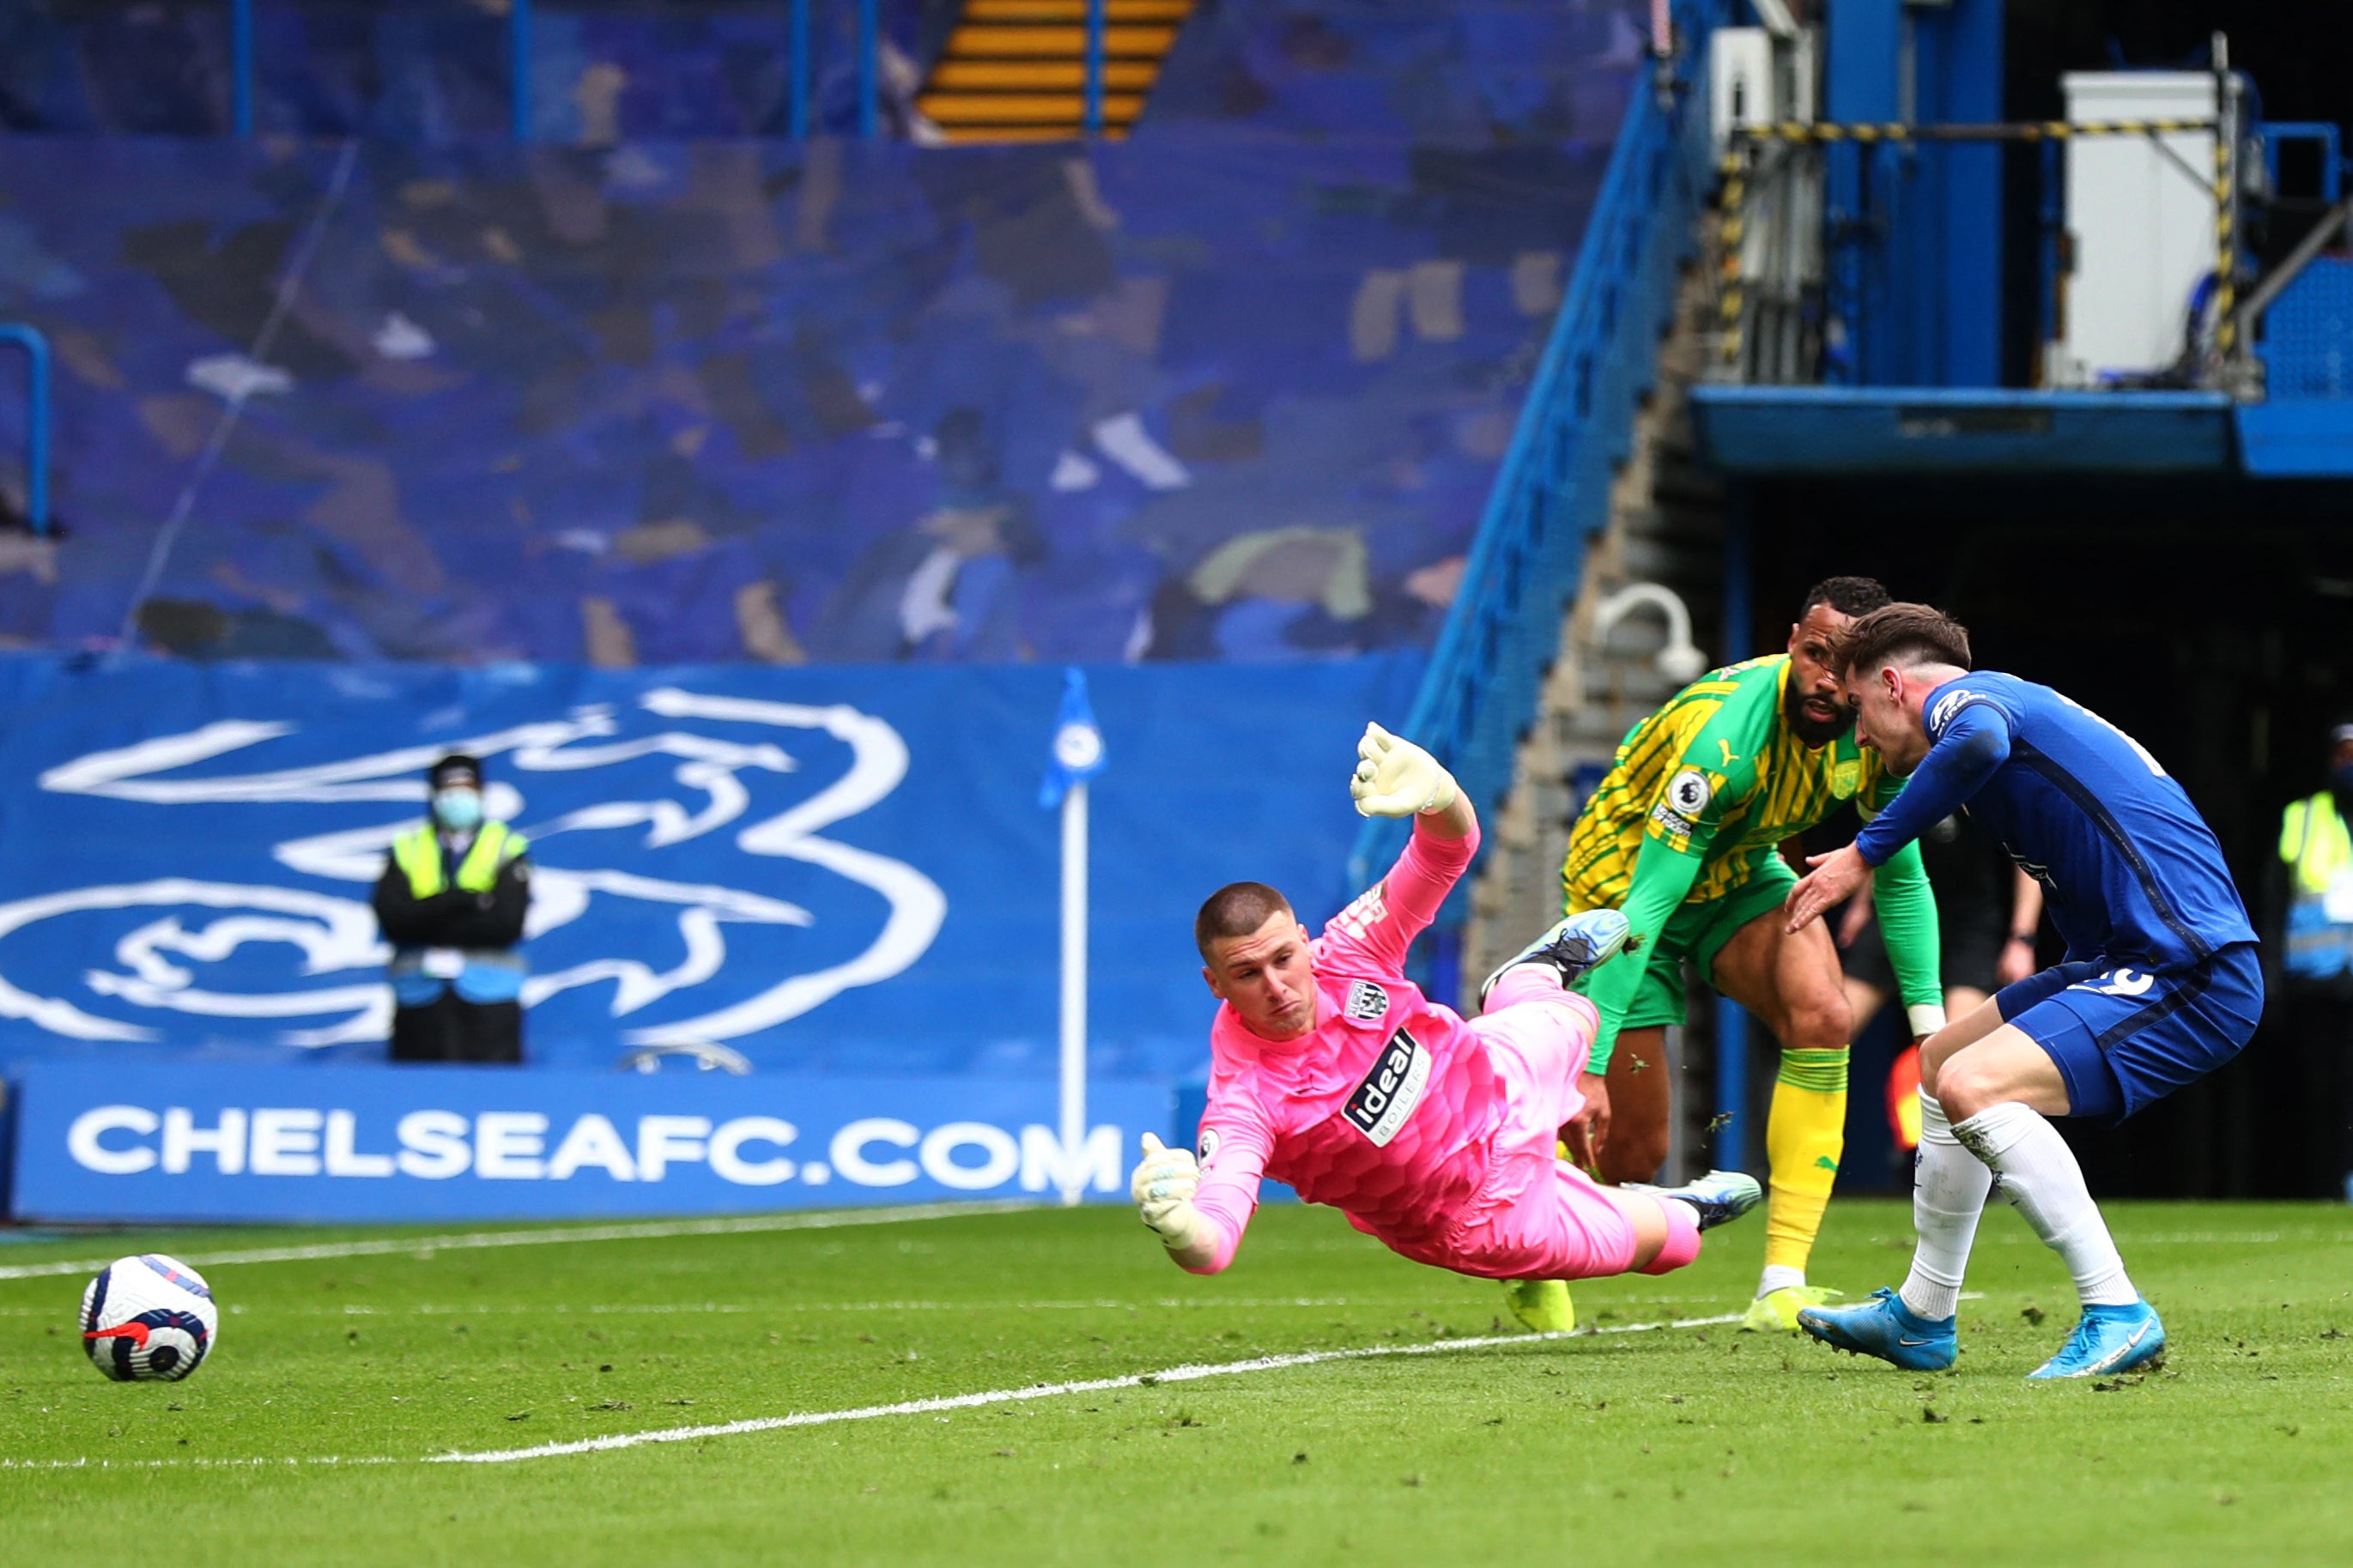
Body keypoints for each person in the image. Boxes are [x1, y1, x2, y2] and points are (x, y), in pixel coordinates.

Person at [1130, 723, 1762, 1329]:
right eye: (1246, 974)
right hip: (1478, 1211)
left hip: (1496, 1072)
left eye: (1283, 958)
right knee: (1674, 1244)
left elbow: (1447, 849)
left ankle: (1524, 980)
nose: (1274, 985)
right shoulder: (1245, 1100)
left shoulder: (1350, 948)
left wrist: (1438, 793)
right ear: (1214, 984)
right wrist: (1181, 1227)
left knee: (1581, 1013)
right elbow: (1214, 1241)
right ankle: (1679, 1206)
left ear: (1303, 940)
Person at [1786, 604, 2261, 1378]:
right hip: (2115, 958)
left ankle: (2116, 1309)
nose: (1859, 736)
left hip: (2188, 965)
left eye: (1859, 711)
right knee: (1942, 1063)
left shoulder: (1966, 705)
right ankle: (1921, 1315)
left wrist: (1860, 854)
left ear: (1894, 684)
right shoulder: (2013, 705)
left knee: (1976, 1084)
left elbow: (1977, 740)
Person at [1557, 577, 1945, 1331]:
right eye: (1814, 654)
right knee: (1631, 1154)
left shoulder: (1870, 736)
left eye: (1848, 667)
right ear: (1794, 637)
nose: (1826, 680)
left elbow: (1900, 880)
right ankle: (1532, 1226)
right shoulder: (1723, 739)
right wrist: (1592, 1062)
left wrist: (1932, 1035)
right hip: (1624, 888)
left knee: (1825, 1015)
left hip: (1738, 871)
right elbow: (1647, 905)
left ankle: (1781, 1284)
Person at [1834, 816, 2044, 1148]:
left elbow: (2028, 858)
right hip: (1897, 913)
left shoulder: (1989, 772)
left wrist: (2022, 939)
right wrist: (1861, 905)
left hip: (1969, 924)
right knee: (1829, 1032)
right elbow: (1884, 837)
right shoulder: (1902, 774)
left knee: (1957, 1057)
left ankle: (1971, 1166)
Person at [372, 753, 534, 1063]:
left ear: (481, 793)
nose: (457, 799)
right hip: (419, 995)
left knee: (489, 1093)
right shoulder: (407, 848)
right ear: (434, 796)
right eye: (449, 791)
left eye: (466, 790)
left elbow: (506, 925)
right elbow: (394, 921)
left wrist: (428, 913)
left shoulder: (506, 847)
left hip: (489, 996)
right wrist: (462, 902)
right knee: (418, 1087)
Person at [2271, 721, 2353, 1199]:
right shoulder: (2302, 817)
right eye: (2343, 754)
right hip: (2317, 983)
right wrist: (2273, 981)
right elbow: (2273, 899)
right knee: (2322, 1093)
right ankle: (2326, 1187)